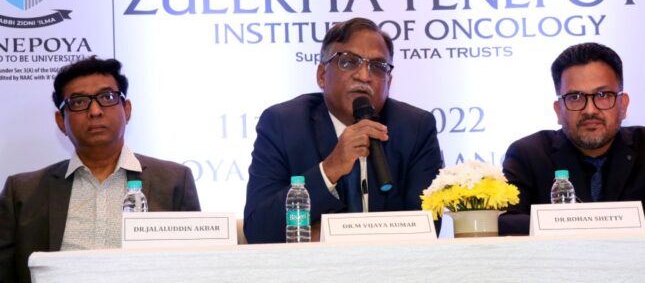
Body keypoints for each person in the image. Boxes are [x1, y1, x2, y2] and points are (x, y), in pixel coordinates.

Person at [0, 56, 201, 283]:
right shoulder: (23, 193)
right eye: (78, 102)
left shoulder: (173, 181)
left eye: (107, 97)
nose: (95, 111)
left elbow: (192, 269)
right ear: (60, 121)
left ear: (127, 110)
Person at [244, 17, 443, 243]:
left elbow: (426, 227)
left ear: (389, 81)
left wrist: (323, 235)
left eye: (378, 67)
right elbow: (259, 229)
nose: (364, 76)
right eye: (349, 62)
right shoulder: (282, 124)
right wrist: (330, 169)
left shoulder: (415, 127)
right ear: (321, 75)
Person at [499, 42, 645, 234]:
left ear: (623, 105)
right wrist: (579, 224)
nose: (590, 109)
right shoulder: (528, 154)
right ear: (559, 110)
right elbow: (503, 223)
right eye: (575, 97)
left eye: (602, 95)